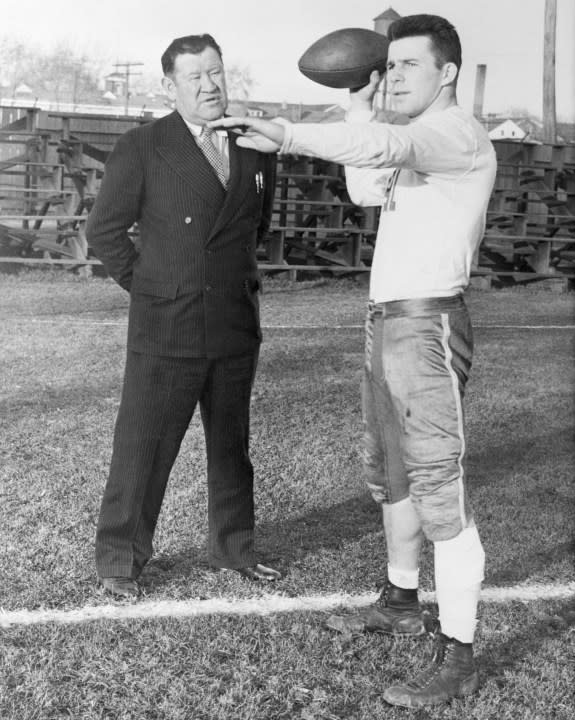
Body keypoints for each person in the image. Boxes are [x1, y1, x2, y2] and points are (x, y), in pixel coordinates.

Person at [210, 13, 496, 709]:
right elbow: (369, 183)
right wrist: (352, 98)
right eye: (387, 64)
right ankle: (400, 597)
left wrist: (285, 132)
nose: (391, 75)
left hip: (425, 325)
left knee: (437, 489)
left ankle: (458, 655)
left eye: (407, 65)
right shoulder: (412, 140)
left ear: (447, 72)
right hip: (387, 323)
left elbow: (384, 144)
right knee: (389, 476)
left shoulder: (451, 133)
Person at [87, 33, 280, 600]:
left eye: (216, 72)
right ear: (170, 86)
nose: (209, 85)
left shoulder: (256, 145)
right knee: (142, 447)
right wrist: (152, 288)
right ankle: (120, 558)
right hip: (166, 323)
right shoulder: (144, 145)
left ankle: (236, 548)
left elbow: (255, 228)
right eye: (195, 77)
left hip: (232, 321)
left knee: (230, 447)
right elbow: (104, 231)